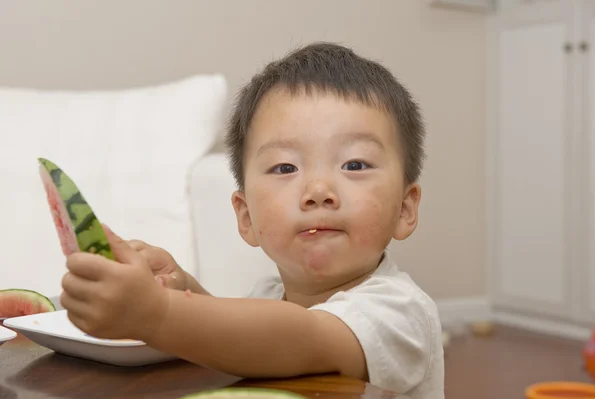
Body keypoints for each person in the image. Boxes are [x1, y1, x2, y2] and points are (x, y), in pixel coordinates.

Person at [59, 42, 444, 399]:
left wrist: (157, 312)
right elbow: (243, 344)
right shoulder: (267, 293)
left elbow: (300, 338)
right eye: (285, 166)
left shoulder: (401, 312)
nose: (318, 189)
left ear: (405, 209)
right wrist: (181, 287)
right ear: (246, 217)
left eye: (354, 164)